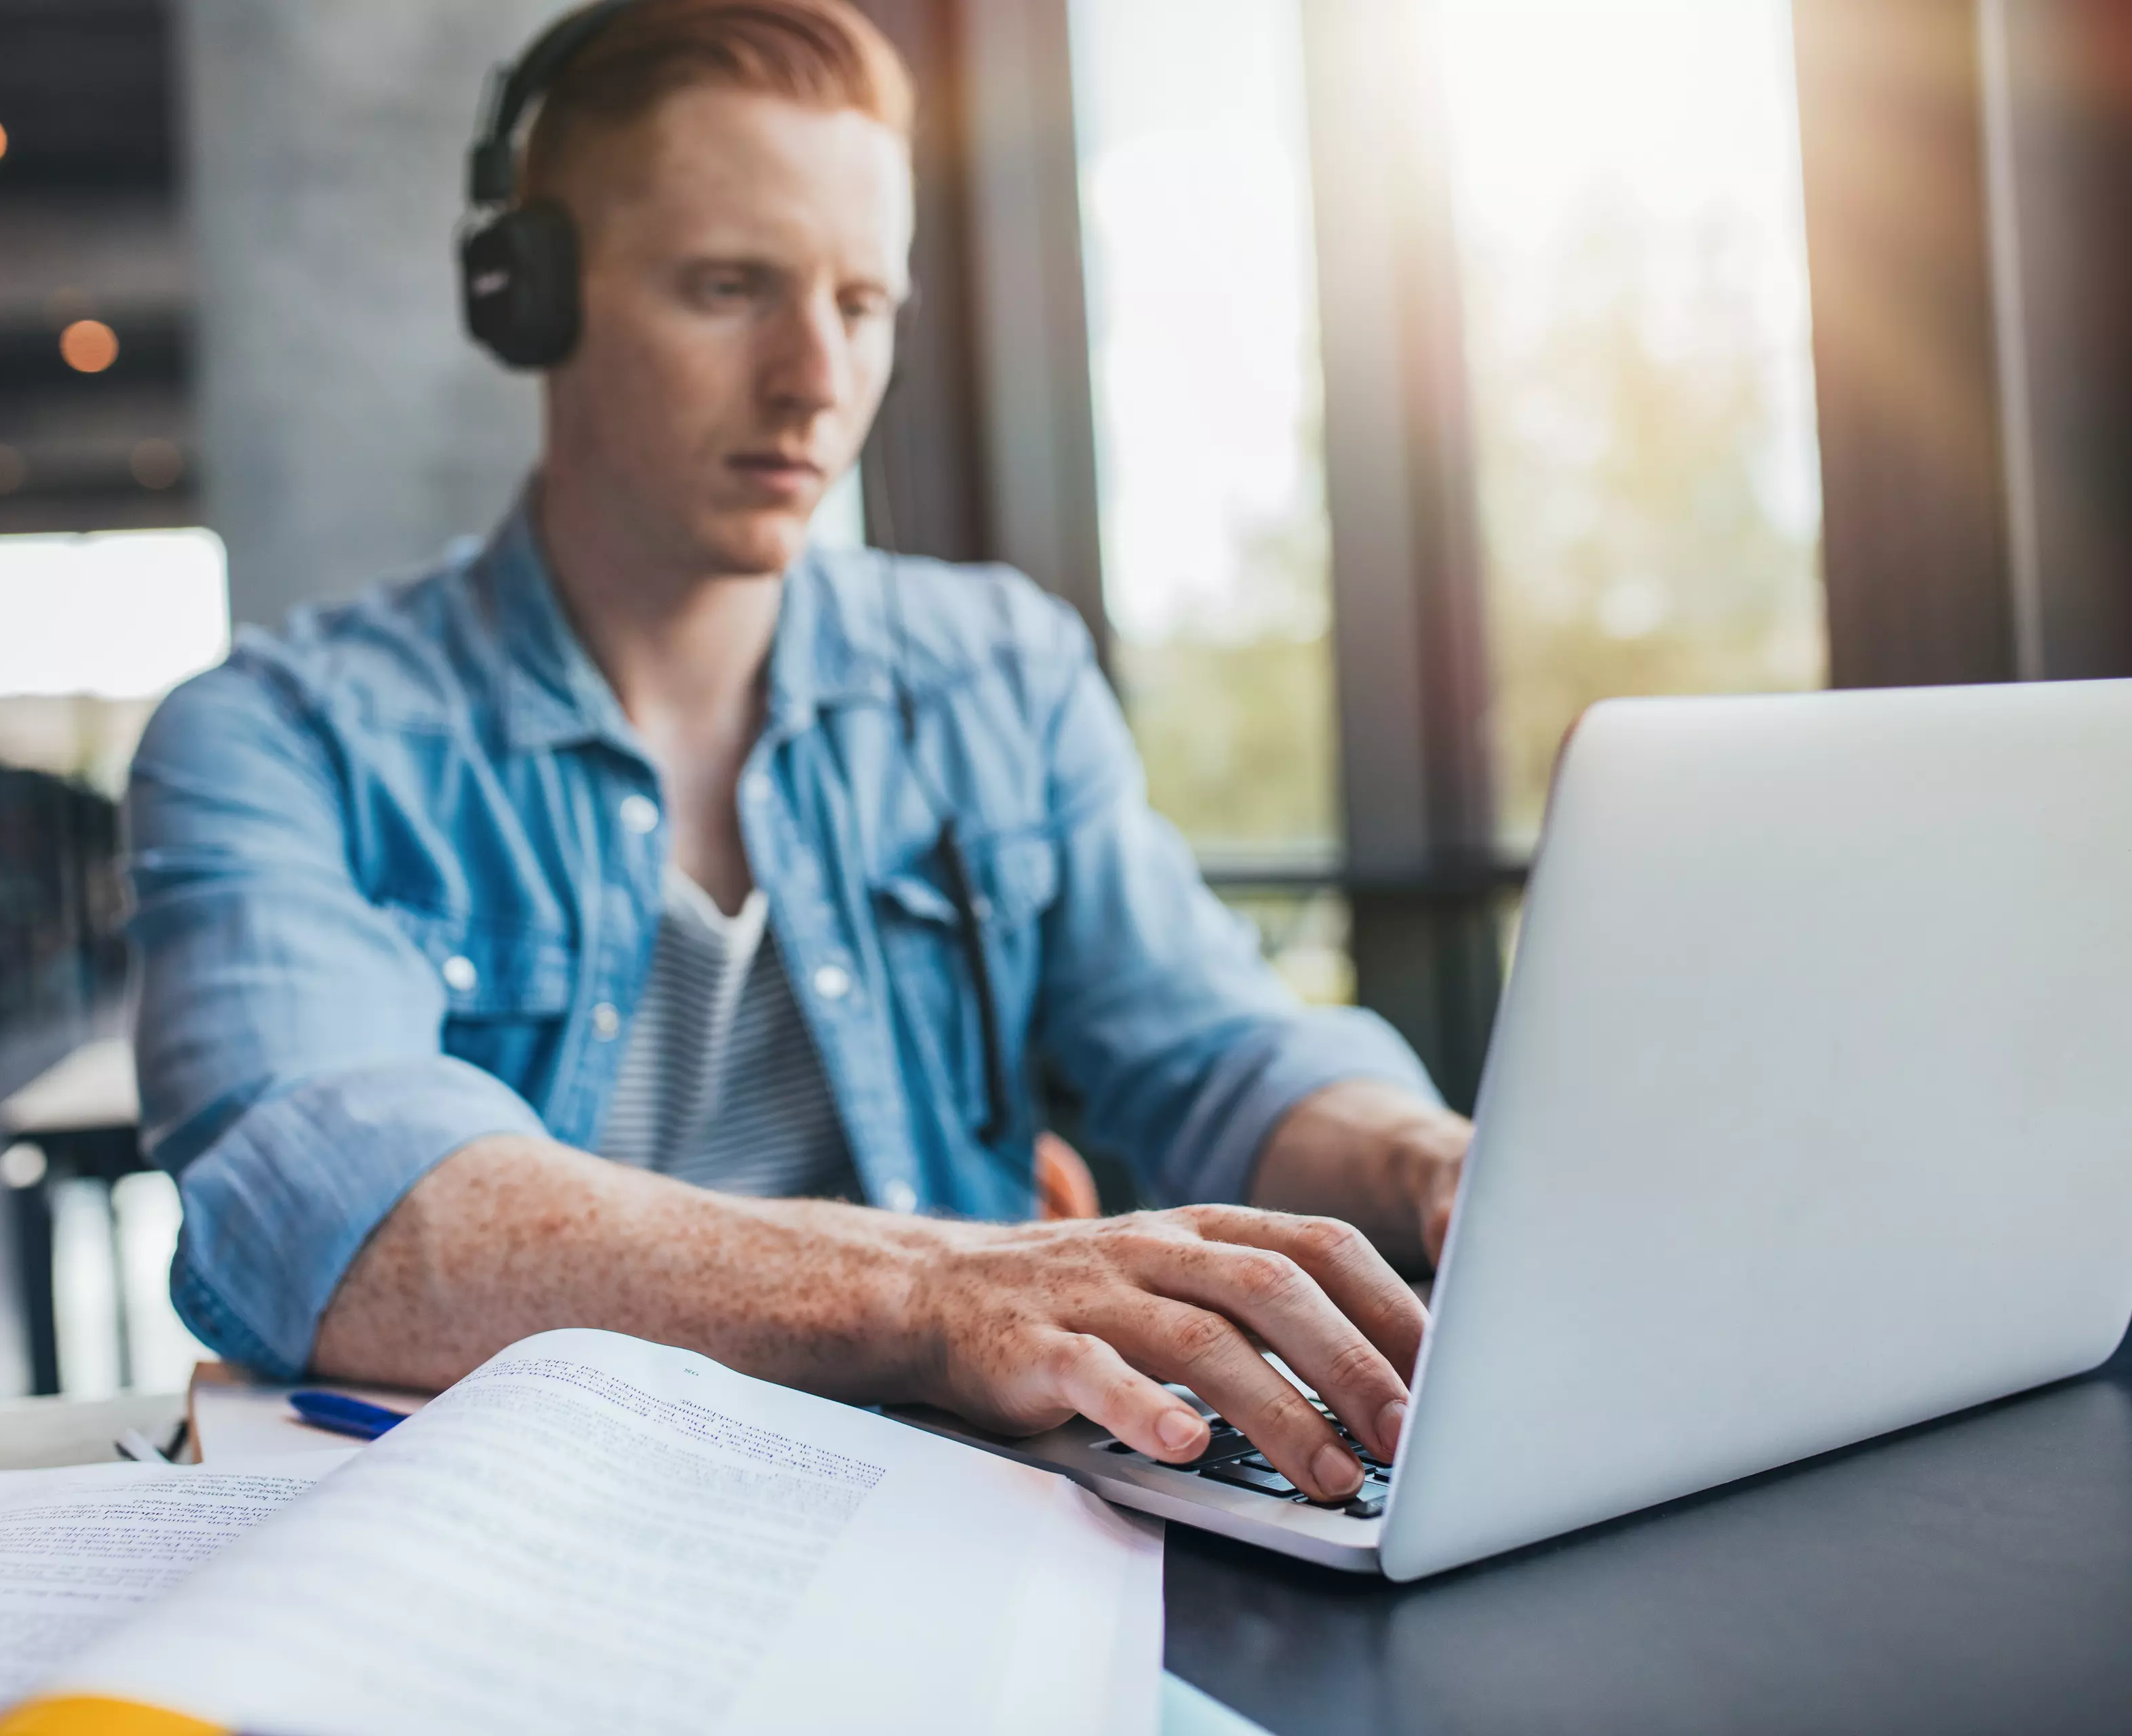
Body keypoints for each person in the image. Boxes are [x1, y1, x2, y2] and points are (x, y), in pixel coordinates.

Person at [129, 0, 1472, 1505]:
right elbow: (340, 1220)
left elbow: (1215, 1050)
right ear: (534, 300)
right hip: (512, 1538)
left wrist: (1427, 1158)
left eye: (863, 301)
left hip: (955, 1529)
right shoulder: (279, 739)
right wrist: (940, 1293)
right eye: (728, 288)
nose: (815, 378)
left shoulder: (997, 675)